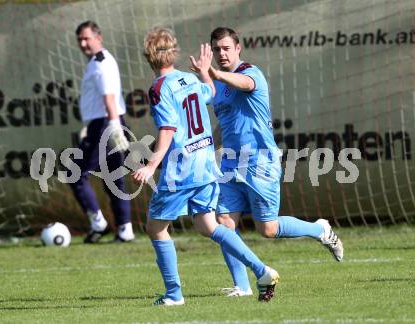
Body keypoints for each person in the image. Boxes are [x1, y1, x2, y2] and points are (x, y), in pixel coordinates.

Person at [133, 26, 279, 306]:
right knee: (208, 225)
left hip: (181, 167)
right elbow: (210, 92)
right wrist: (202, 72)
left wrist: (152, 164)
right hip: (205, 163)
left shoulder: (158, 88)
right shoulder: (188, 79)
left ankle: (174, 294)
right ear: (173, 52)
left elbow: (167, 128)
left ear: (148, 56)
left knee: (155, 228)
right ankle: (262, 270)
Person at [208, 27, 344, 297]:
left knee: (267, 229)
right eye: (216, 49)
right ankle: (243, 286)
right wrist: (210, 149)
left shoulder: (250, 73)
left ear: (238, 49)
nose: (221, 53)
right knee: (224, 222)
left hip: (260, 161)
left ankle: (320, 229)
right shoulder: (220, 86)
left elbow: (246, 85)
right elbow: (223, 124)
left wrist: (214, 74)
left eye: (226, 48)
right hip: (231, 164)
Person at [71, 20, 135, 243]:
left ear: (99, 37)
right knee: (113, 177)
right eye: (79, 39)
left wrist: (114, 125)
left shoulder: (101, 63)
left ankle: (99, 224)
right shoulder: (98, 61)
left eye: (86, 38)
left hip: (106, 123)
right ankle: (125, 229)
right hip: (104, 122)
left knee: (76, 173)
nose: (83, 43)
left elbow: (108, 97)